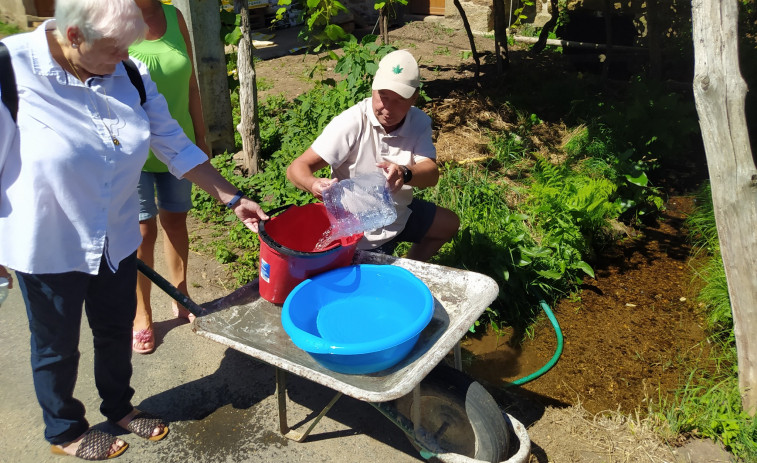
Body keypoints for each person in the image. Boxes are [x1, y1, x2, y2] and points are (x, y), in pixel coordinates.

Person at [0, 0, 268, 460]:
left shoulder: (130, 72)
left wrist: (231, 197)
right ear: (74, 36)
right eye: (115, 49)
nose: (126, 59)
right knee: (56, 345)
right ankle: (64, 430)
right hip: (47, 241)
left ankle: (121, 407)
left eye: (129, 48)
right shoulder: (11, 70)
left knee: (113, 328)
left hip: (116, 236)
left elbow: (175, 145)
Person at [286, 49, 459, 262]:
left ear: (414, 97)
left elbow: (431, 175)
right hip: (360, 229)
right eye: (383, 97)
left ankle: (411, 266)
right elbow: (297, 167)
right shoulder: (352, 122)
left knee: (448, 223)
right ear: (373, 88)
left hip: (398, 212)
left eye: (399, 100)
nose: (387, 108)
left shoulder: (419, 122)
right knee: (376, 284)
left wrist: (405, 173)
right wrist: (313, 184)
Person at [128, 0, 209, 354]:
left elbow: (190, 83)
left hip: (178, 143)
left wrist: (202, 138)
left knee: (176, 220)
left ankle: (180, 293)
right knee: (142, 230)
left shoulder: (174, 16)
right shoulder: (115, 20)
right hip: (134, 151)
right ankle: (141, 312)